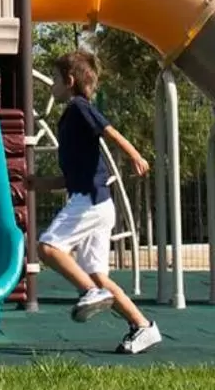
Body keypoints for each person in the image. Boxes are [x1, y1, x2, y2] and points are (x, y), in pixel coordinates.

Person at [38, 50, 162, 354]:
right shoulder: (70, 118)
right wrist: (39, 184)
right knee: (97, 273)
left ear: (69, 81)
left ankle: (90, 292)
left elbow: (109, 131)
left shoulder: (80, 107)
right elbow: (74, 176)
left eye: (54, 78)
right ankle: (142, 326)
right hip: (98, 202)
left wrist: (135, 155)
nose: (51, 84)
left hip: (91, 201)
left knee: (48, 248)